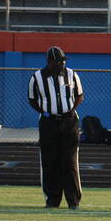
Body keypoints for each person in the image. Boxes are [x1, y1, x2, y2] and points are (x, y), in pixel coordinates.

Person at [27, 46, 84, 209]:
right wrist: (44, 112)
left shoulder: (72, 75)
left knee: (70, 162)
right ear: (51, 62)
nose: (62, 64)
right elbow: (31, 99)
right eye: (60, 61)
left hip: (69, 121)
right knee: (50, 161)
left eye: (63, 61)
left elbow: (80, 95)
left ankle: (73, 201)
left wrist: (71, 110)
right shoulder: (37, 77)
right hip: (48, 123)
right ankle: (52, 200)